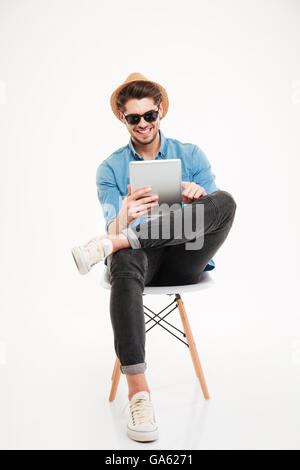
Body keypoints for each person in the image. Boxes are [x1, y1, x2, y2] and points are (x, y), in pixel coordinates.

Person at [71, 72, 237, 443]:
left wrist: (196, 197)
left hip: (185, 254)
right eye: (134, 118)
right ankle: (139, 396)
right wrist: (125, 213)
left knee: (224, 200)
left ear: (160, 111)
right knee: (126, 258)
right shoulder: (110, 169)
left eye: (150, 116)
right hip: (140, 261)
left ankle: (112, 244)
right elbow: (112, 222)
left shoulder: (191, 155)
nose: (143, 124)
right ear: (122, 119)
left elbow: (213, 214)